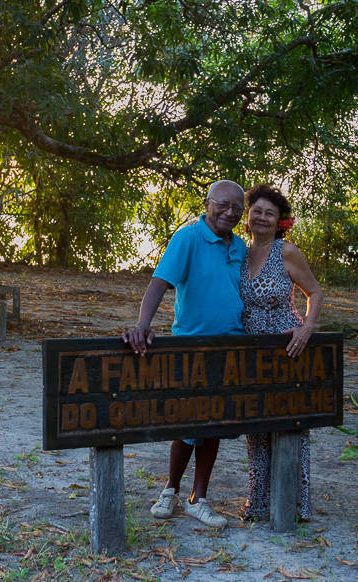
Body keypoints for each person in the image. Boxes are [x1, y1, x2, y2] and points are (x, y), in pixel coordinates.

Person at [122, 179, 247, 529]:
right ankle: (171, 489)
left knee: (213, 424)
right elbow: (160, 282)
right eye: (223, 204)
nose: (230, 212)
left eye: (237, 208)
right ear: (207, 203)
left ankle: (199, 498)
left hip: (229, 349)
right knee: (188, 421)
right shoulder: (188, 237)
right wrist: (142, 324)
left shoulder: (239, 247)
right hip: (192, 346)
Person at [240, 184, 324, 522]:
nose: (262, 217)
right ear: (247, 217)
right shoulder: (240, 253)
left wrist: (306, 329)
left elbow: (315, 292)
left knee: (290, 425)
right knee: (256, 426)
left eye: (269, 213)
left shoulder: (286, 251)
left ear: (279, 222)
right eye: (256, 211)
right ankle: (258, 503)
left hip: (286, 347)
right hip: (252, 351)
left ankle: (294, 504)